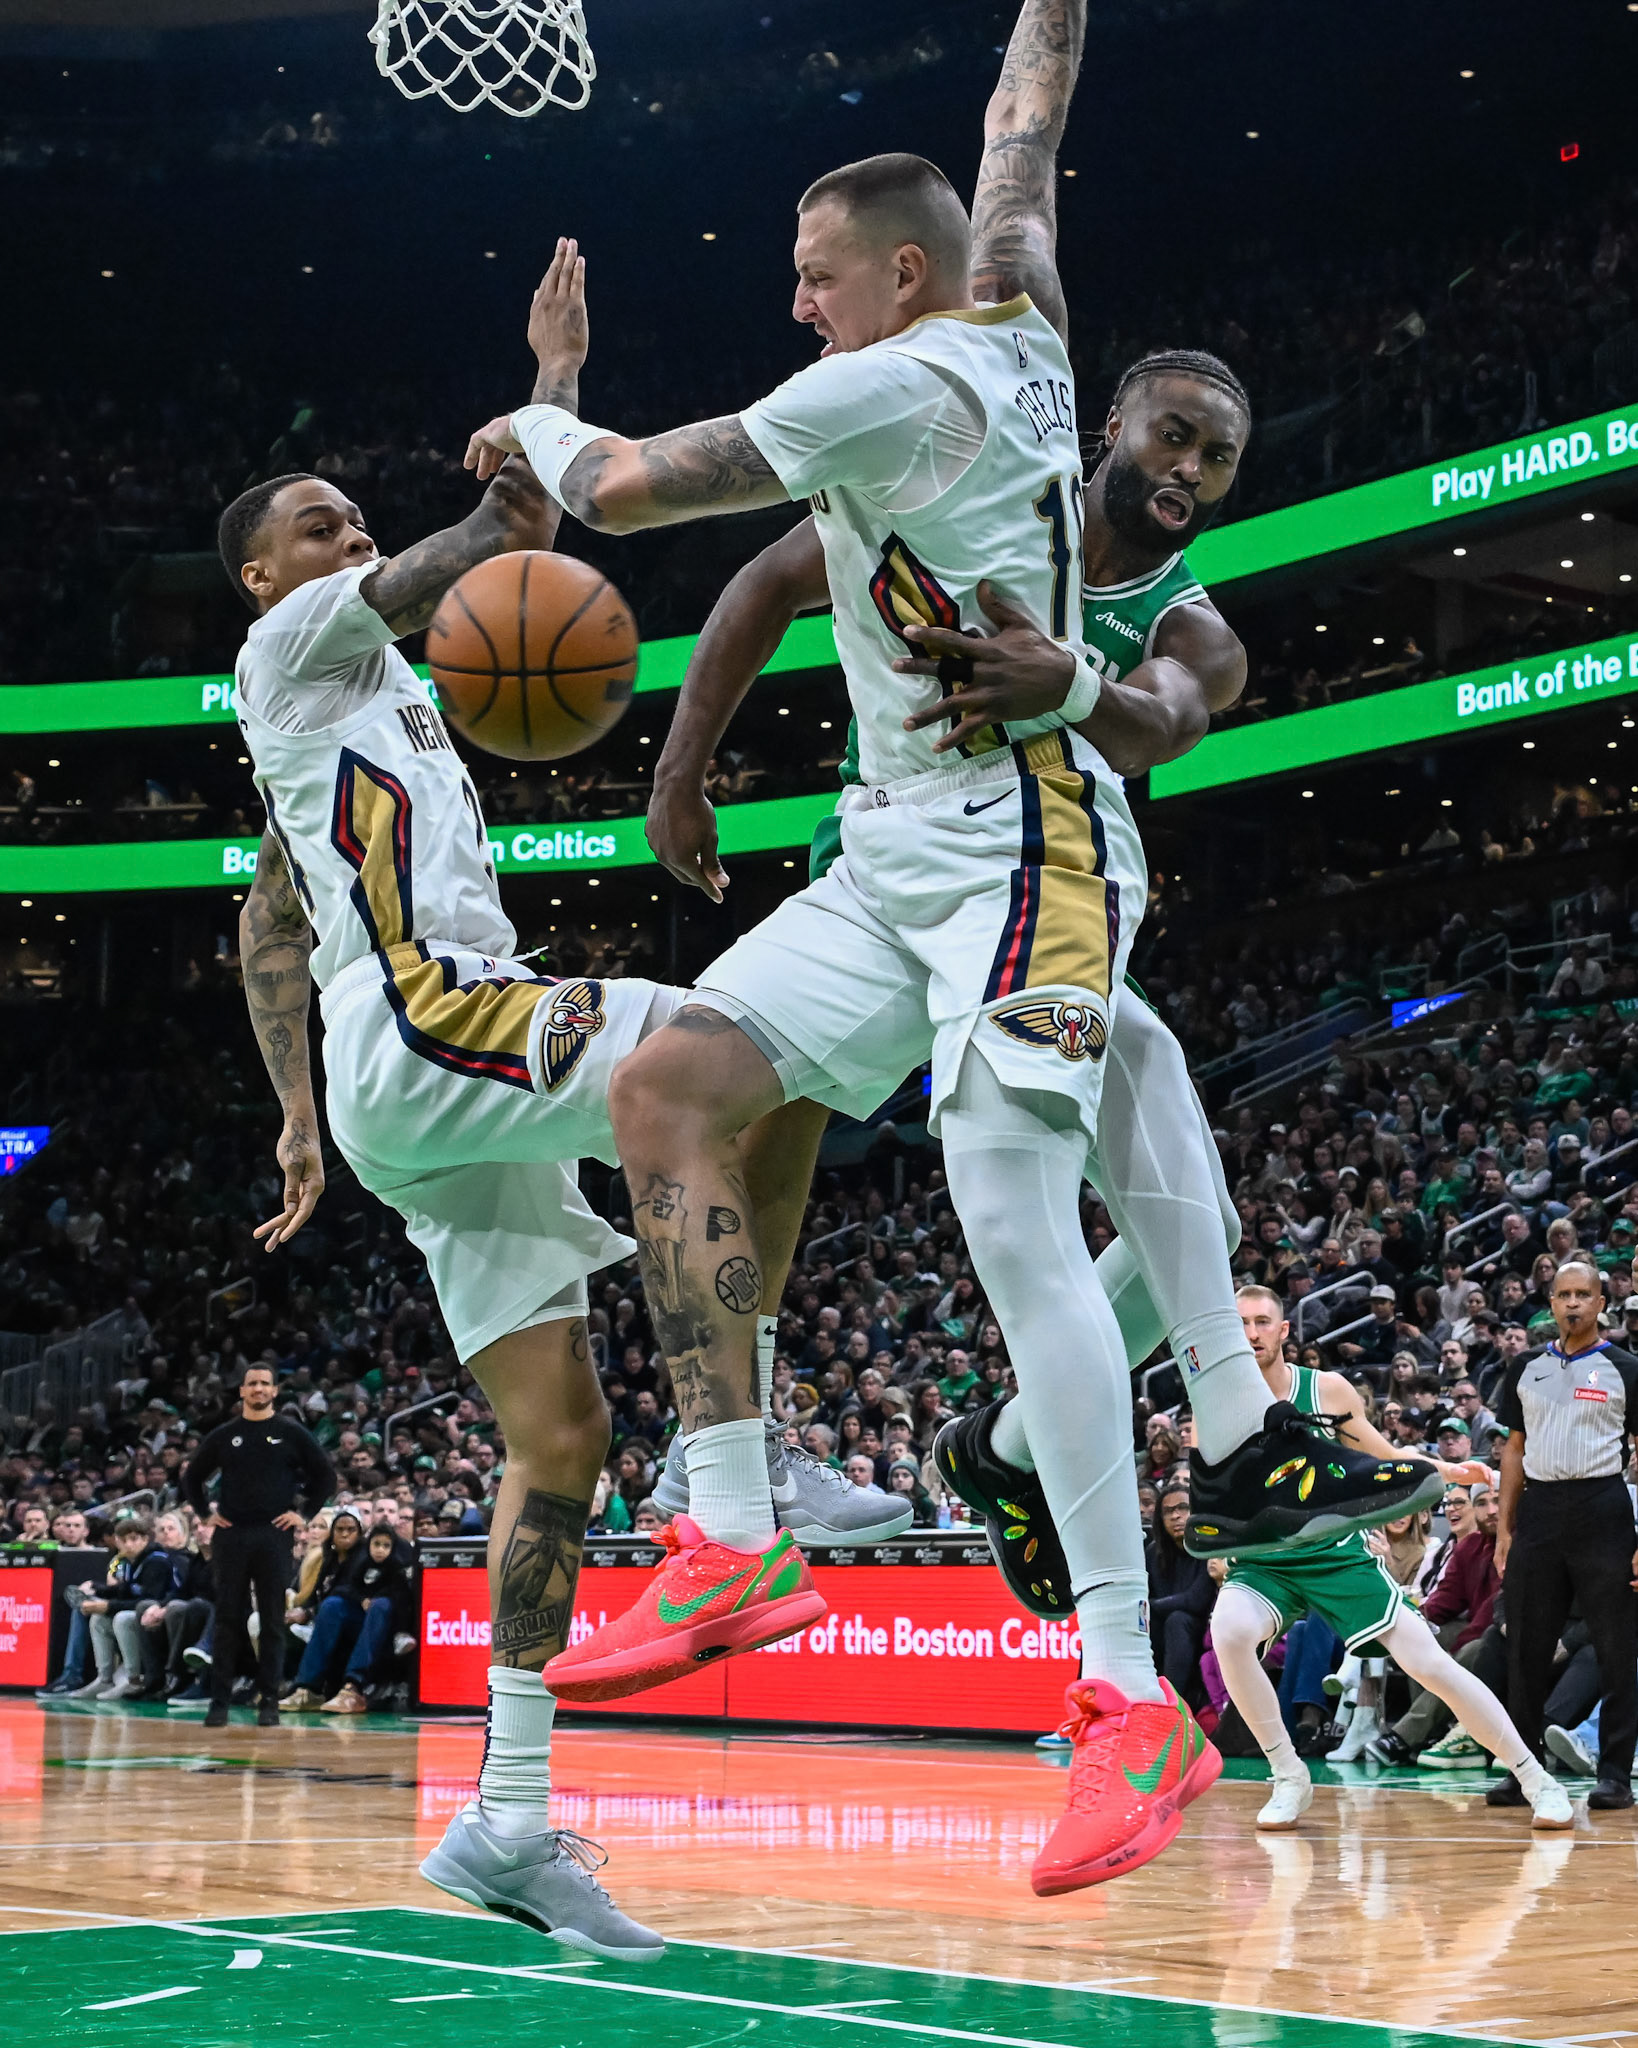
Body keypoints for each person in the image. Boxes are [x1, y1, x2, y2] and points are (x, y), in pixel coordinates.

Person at [578, 0, 1436, 1892]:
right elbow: (1023, 118)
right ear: (1116, 409)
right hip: (894, 851)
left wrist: (1087, 680)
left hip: (1036, 840)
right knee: (674, 1084)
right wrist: (687, 765)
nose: (1196, 463)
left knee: (1015, 1179)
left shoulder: (997, 448)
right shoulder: (1012, 309)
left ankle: (1122, 1682)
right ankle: (745, 1530)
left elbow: (643, 492)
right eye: (1177, 430)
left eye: (1221, 447)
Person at [222, 262, 909, 1961]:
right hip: (446, 1032)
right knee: (753, 1042)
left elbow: (266, 926)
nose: (343, 530)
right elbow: (483, 552)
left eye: (344, 518)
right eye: (318, 521)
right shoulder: (294, 643)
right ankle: (727, 1466)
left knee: (552, 1445)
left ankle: (510, 1814)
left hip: (405, 1091)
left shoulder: (353, 721)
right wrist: (547, 384)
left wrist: (298, 1122)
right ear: (262, 575)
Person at [1208, 1287, 1570, 1833]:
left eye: (1262, 1322)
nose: (1251, 1333)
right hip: (1265, 1558)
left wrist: (1449, 1471)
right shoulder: (1218, 1399)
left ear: (1284, 1332)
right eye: (1240, 1324)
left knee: (1429, 1663)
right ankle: (1289, 1775)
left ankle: (1534, 1777)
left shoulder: (1325, 1389)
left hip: (1335, 1552)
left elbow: (1387, 1455)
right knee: (1229, 1629)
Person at [1492, 1257, 1638, 1812]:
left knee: (1614, 1645)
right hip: (1541, 1509)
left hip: (1603, 1507)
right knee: (1525, 1646)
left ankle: (1615, 1774)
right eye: (1563, 1294)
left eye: (1584, 1294)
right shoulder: (1526, 1367)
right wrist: (1505, 1530)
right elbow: (1513, 1449)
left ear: (1602, 1302)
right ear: (1550, 1302)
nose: (1573, 1303)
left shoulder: (1626, 1367)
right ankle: (1523, 1770)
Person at [182, 1364, 333, 1727]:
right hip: (232, 1534)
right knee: (227, 1618)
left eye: (265, 1383)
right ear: (242, 1391)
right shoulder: (225, 1434)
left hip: (273, 1534)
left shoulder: (290, 1432)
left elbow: (325, 1475)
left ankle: (269, 1701)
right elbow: (192, 1477)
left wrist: (304, 1514)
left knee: (271, 1620)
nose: (258, 1389)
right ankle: (219, 1702)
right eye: (252, 1384)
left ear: (275, 1391)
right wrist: (205, 1514)